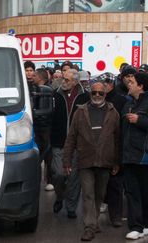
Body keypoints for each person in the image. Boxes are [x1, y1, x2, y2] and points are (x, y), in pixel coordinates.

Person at [63, 81, 120, 241]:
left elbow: (117, 139)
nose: (96, 95)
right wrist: (66, 161)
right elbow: (71, 138)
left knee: (99, 194)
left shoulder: (113, 112)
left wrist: (116, 162)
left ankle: (93, 222)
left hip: (105, 161)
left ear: (105, 94)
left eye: (100, 93)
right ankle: (89, 227)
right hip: (85, 160)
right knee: (87, 194)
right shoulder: (80, 112)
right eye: (94, 92)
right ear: (89, 93)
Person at [50, 68, 90, 219]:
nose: (63, 82)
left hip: (77, 144)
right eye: (63, 79)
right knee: (58, 174)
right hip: (58, 142)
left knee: (74, 178)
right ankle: (60, 196)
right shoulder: (55, 95)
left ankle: (71, 207)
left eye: (66, 80)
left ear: (75, 81)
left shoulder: (85, 97)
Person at [97, 72, 128, 227]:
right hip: (97, 147)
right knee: (98, 182)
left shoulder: (122, 101)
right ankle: (95, 214)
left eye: (107, 83)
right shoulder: (95, 99)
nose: (104, 85)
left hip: (115, 146)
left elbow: (123, 127)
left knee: (115, 183)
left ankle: (116, 216)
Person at [121, 72, 148, 240]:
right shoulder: (127, 104)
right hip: (128, 155)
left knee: (145, 192)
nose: (128, 85)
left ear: (141, 86)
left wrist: (139, 120)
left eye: (131, 82)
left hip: (144, 156)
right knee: (132, 192)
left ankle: (145, 225)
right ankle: (136, 226)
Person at [32, 68, 54, 191]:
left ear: (40, 77)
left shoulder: (45, 91)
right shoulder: (35, 89)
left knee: (47, 153)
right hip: (39, 126)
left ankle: (50, 179)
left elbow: (46, 112)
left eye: (34, 75)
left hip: (44, 127)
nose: (32, 76)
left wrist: (35, 115)